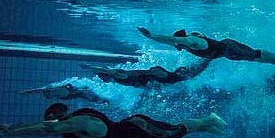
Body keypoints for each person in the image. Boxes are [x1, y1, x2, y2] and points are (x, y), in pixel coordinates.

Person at [0, 103, 226, 138]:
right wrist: (12, 126)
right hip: (132, 136)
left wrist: (11, 133)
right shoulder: (68, 123)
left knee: (175, 131)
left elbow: (47, 129)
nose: (56, 125)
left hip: (137, 129)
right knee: (175, 134)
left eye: (56, 121)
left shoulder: (79, 122)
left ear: (62, 116)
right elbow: (43, 126)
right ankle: (206, 126)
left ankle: (208, 119)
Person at [137, 27, 275, 66]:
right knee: (255, 57)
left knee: (255, 56)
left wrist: (151, 35)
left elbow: (171, 39)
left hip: (229, 48)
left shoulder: (191, 41)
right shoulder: (188, 44)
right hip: (227, 50)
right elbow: (170, 41)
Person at [84, 58, 214, 87]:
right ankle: (207, 58)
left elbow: (108, 71)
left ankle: (209, 57)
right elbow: (140, 84)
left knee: (193, 72)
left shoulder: (119, 76)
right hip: (158, 75)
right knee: (192, 71)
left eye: (103, 78)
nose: (103, 81)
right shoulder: (120, 80)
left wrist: (90, 67)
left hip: (160, 75)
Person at [20, 83, 108, 104]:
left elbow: (36, 90)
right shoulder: (47, 90)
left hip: (66, 92)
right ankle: (103, 100)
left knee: (82, 93)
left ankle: (102, 100)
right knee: (82, 94)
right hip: (66, 95)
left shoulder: (48, 89)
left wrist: (25, 92)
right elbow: (36, 91)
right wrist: (26, 92)